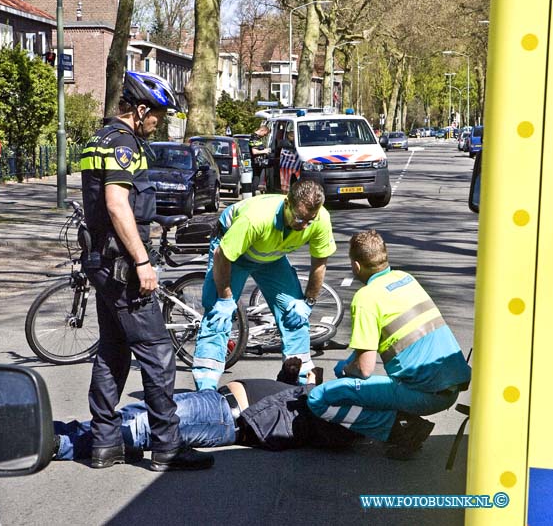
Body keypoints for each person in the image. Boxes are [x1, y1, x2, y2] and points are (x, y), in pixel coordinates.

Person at [79, 71, 213, 472]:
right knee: (156, 353)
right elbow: (118, 205)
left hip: (100, 264)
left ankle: (105, 443)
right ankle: (167, 446)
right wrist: (142, 261)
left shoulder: (96, 139)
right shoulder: (124, 145)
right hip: (123, 266)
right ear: (139, 110)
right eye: (156, 114)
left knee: (113, 352)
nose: (159, 121)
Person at [306, 230, 472, 459]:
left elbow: (364, 370)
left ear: (355, 265)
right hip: (450, 387)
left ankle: (403, 430)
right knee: (364, 386)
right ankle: (400, 422)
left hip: (423, 394)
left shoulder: (366, 298)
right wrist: (350, 363)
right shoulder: (405, 278)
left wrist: (345, 370)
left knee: (319, 399)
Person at [53, 361, 361, 460]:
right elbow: (284, 403)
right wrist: (291, 376)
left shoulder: (331, 417)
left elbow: (295, 417)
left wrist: (310, 386)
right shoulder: (319, 405)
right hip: (222, 408)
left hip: (224, 416)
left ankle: (57, 443)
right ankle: (55, 433)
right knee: (137, 417)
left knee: (140, 428)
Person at [192, 179, 335, 390]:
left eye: (309, 220)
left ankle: (299, 382)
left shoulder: (320, 218)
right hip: (233, 254)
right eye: (298, 218)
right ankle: (206, 390)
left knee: (294, 316)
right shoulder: (255, 219)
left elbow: (320, 263)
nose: (303, 225)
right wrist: (224, 299)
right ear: (287, 203)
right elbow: (222, 256)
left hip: (271, 258)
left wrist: (308, 302)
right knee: (219, 319)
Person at [249, 124, 270, 193]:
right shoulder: (254, 138)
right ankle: (253, 194)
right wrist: (265, 151)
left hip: (259, 162)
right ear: (262, 130)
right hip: (256, 162)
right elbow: (254, 152)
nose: (264, 136)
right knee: (256, 178)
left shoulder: (257, 138)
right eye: (264, 134)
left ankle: (253, 193)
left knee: (257, 178)